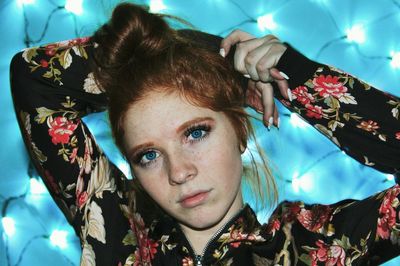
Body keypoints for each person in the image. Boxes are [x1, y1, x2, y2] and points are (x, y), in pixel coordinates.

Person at [10, 2, 400, 265]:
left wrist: (294, 77)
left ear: (240, 130)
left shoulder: (309, 247)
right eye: (148, 155)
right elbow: (35, 80)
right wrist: (210, 55)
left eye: (195, 133)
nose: (178, 172)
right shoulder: (115, 229)